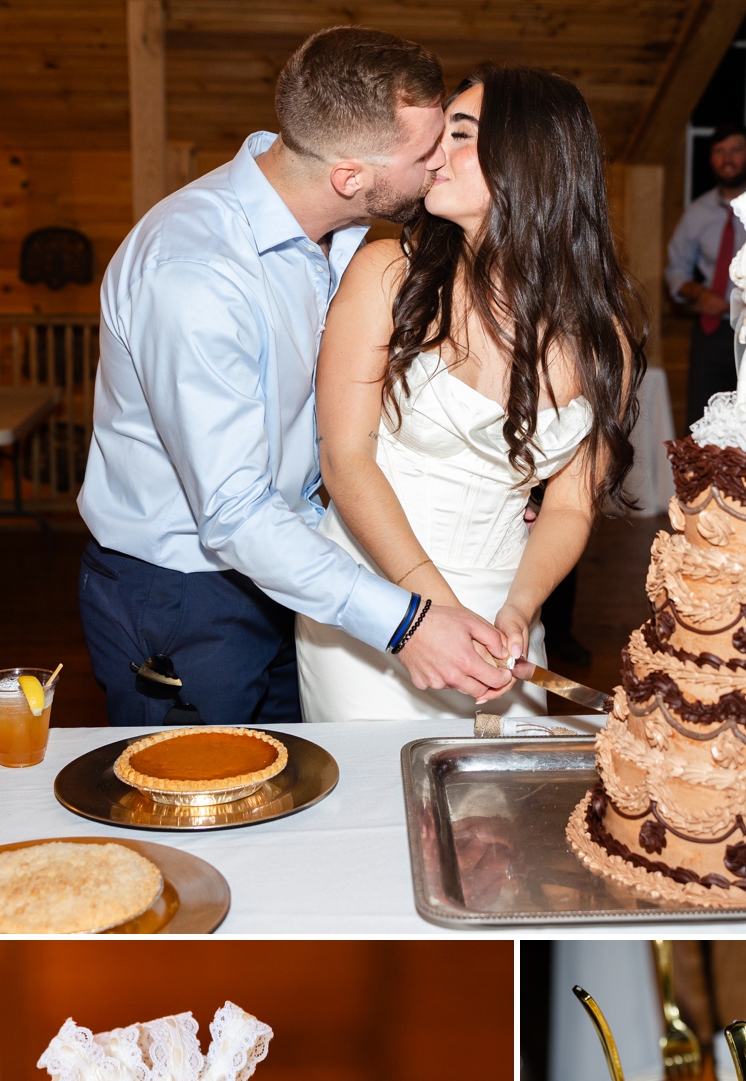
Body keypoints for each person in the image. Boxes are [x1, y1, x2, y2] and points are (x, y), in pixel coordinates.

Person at [76, 28, 512, 726]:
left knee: (303, 795)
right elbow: (234, 512)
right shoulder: (194, 272)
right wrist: (405, 623)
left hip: (305, 564)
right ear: (351, 175)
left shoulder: (344, 229)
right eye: (426, 151)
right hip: (189, 593)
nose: (443, 163)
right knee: (206, 807)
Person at [294, 66, 644, 721]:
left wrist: (519, 609)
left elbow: (569, 508)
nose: (433, 155)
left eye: (458, 134)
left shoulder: (606, 337)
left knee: (497, 815)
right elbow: (346, 461)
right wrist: (430, 612)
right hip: (377, 602)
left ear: (526, 157)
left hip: (504, 612)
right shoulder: (387, 276)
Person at [665, 126, 746, 431]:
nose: (727, 158)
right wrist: (699, 294)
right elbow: (676, 269)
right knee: (703, 425)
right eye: (719, 151)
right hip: (712, 332)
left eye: (736, 150)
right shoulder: (697, 213)